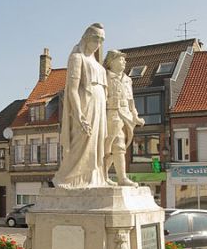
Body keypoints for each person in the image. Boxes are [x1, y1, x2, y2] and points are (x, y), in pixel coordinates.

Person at [53, 23, 108, 188]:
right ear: (86, 38)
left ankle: (95, 178)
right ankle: (69, 179)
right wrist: (78, 114)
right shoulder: (77, 58)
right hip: (86, 104)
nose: (98, 43)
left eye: (102, 39)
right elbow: (72, 90)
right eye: (96, 38)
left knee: (97, 143)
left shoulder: (98, 65)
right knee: (82, 141)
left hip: (99, 106)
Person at [103, 49, 145, 186]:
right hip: (112, 113)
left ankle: (109, 176)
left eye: (124, 59)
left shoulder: (128, 79)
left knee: (120, 146)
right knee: (113, 145)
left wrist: (136, 116)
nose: (124, 62)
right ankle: (118, 178)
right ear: (111, 61)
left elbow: (131, 100)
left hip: (126, 114)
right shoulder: (105, 76)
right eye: (121, 59)